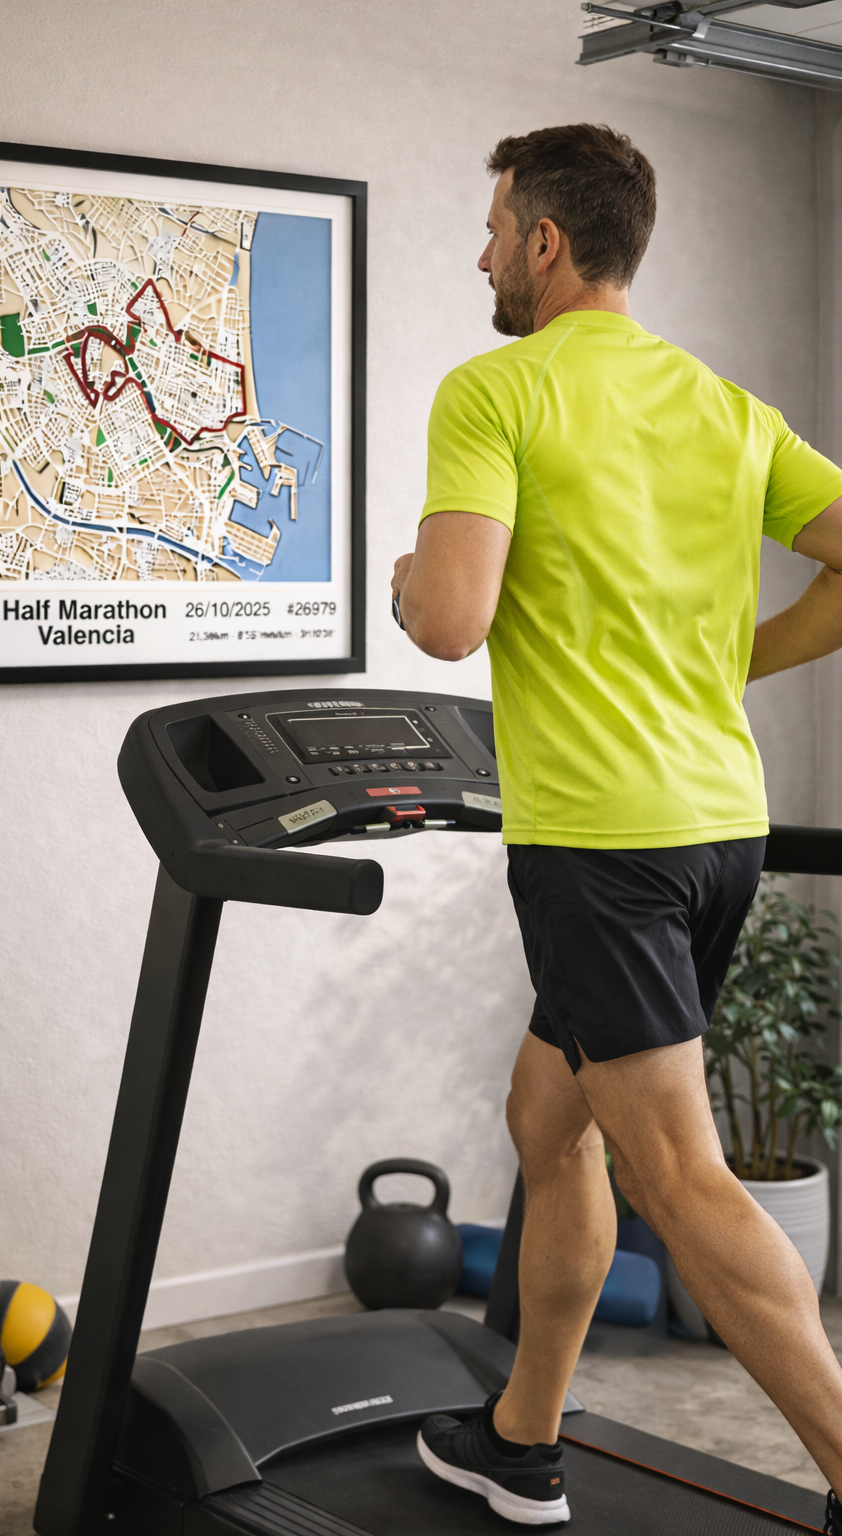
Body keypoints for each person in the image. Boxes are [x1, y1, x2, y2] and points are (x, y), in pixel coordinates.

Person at [391, 122, 842, 1532]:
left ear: (543, 240)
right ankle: (523, 1435)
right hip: (719, 831)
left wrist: (412, 582)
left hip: (604, 847)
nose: (480, 251)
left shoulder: (496, 391)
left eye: (493, 226)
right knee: (548, 1117)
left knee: (678, 1173)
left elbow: (452, 621)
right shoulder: (722, 404)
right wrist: (733, 665)